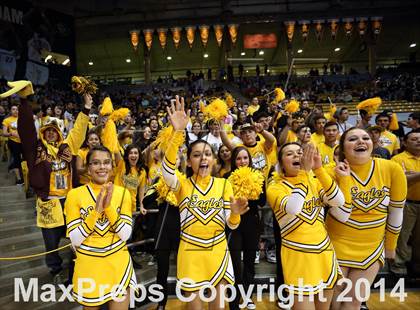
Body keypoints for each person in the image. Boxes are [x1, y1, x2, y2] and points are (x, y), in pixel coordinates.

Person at [161, 96, 249, 310]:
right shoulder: (181, 185)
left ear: (214, 160)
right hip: (190, 251)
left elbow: (232, 225)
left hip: (218, 249)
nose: (203, 159)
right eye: (197, 155)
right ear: (189, 161)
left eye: (208, 154)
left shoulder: (223, 185)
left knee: (218, 307)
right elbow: (166, 171)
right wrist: (178, 133)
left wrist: (236, 214)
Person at [10, 80, 92, 284]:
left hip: (70, 201)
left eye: (54, 130)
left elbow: (79, 129)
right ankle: (55, 271)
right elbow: (26, 129)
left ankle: (78, 266)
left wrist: (86, 108)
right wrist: (24, 102)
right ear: (43, 132)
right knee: (51, 241)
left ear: (59, 132)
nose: (51, 133)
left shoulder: (67, 146)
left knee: (76, 237)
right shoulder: (34, 149)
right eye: (47, 130)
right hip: (49, 203)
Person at [327, 128, 407, 310]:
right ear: (343, 148)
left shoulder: (392, 168)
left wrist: (391, 246)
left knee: (354, 301)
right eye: (353, 139)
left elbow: (396, 211)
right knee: (335, 301)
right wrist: (344, 180)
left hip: (372, 246)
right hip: (336, 243)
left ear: (373, 144)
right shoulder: (331, 172)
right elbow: (340, 213)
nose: (360, 142)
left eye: (365, 138)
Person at [267, 143, 349, 310]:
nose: (297, 156)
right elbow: (294, 208)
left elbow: (338, 201)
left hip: (324, 253)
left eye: (299, 152)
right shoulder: (275, 188)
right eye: (290, 154)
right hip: (298, 256)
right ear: (281, 164)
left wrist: (319, 169)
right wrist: (305, 173)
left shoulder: (315, 181)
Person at [65, 145, 137, 309]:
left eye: (106, 162)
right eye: (96, 163)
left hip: (118, 263)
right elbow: (75, 239)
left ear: (112, 167)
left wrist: (108, 207)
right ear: (88, 168)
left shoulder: (123, 193)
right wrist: (96, 211)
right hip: (89, 265)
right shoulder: (74, 195)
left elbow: (125, 235)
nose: (102, 167)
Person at [224, 146, 265, 310]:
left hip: (252, 224)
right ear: (234, 161)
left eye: (245, 158)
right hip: (233, 225)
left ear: (250, 160)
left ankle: (247, 296)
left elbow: (262, 202)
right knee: (235, 264)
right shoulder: (227, 178)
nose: (242, 162)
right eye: (239, 159)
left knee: (249, 263)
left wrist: (251, 190)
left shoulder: (258, 176)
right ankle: (234, 301)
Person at [390, 129, 420, 275]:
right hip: (406, 203)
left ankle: (417, 265)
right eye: (414, 139)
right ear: (405, 142)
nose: (418, 141)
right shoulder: (397, 159)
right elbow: (401, 181)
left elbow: (408, 178)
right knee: (403, 235)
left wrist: (413, 176)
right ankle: (398, 265)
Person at [114, 144, 148, 213]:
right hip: (116, 204)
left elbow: (141, 191)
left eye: (136, 153)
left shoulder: (142, 172)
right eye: (130, 153)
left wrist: (141, 206)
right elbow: (116, 150)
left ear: (139, 155)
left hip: (131, 207)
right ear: (127, 156)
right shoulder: (121, 164)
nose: (133, 155)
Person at [2, 103, 23, 184]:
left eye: (17, 109)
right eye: (13, 109)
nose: (15, 111)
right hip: (13, 142)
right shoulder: (7, 120)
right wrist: (11, 134)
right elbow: (4, 133)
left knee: (25, 159)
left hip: (23, 142)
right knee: (16, 159)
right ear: (10, 111)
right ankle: (18, 179)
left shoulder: (22, 118)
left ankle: (23, 175)